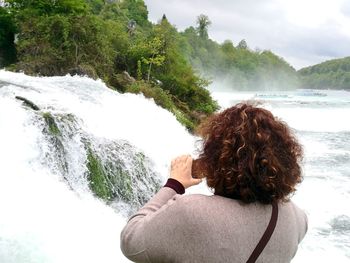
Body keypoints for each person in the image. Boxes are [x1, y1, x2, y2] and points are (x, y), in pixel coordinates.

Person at [120, 103, 308, 263]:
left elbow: (130, 240)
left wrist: (174, 185)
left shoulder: (191, 211)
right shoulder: (297, 218)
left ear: (215, 158)